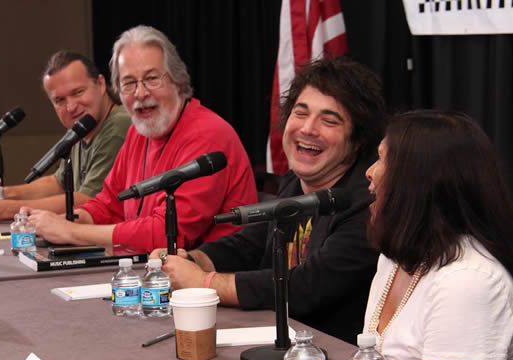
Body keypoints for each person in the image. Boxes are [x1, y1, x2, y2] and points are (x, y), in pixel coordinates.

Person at [153, 57, 385, 344]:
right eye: (300, 114)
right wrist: (192, 259)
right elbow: (250, 244)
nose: (308, 129)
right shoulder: (295, 182)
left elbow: (306, 289)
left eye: (329, 120)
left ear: (357, 140)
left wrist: (204, 283)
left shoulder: (367, 203)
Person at [363, 110, 513, 360]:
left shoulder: (467, 282)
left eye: (381, 159)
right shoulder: (395, 257)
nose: (370, 171)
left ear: (416, 181)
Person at [23, 25, 256, 252]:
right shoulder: (139, 130)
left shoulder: (208, 134)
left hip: (206, 281)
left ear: (177, 79)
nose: (141, 93)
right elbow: (109, 204)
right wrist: (71, 220)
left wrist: (71, 232)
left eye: (152, 78)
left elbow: (167, 233)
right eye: (129, 83)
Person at [0, 51, 130, 223]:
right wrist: (0, 194)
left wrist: (0, 209)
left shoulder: (118, 126)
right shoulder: (83, 126)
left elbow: (88, 201)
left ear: (101, 84)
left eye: (78, 92)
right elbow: (58, 183)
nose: (71, 107)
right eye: (59, 100)